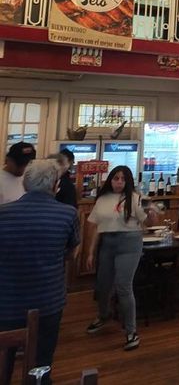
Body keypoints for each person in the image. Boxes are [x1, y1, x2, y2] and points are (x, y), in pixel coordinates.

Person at [0, 159, 79, 384]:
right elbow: (71, 254)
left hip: (6, 301)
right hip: (48, 301)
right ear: (55, 185)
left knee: (3, 360)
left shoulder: (3, 214)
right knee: (42, 361)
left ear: (25, 184)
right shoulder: (68, 214)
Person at [85, 166, 157, 351]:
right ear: (110, 179)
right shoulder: (102, 199)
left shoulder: (135, 198)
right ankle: (104, 315)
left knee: (123, 286)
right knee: (103, 284)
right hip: (107, 244)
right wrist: (91, 252)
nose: (119, 182)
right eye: (116, 178)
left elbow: (149, 222)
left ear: (128, 181)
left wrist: (151, 212)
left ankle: (131, 331)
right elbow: (95, 227)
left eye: (123, 179)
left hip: (129, 244)